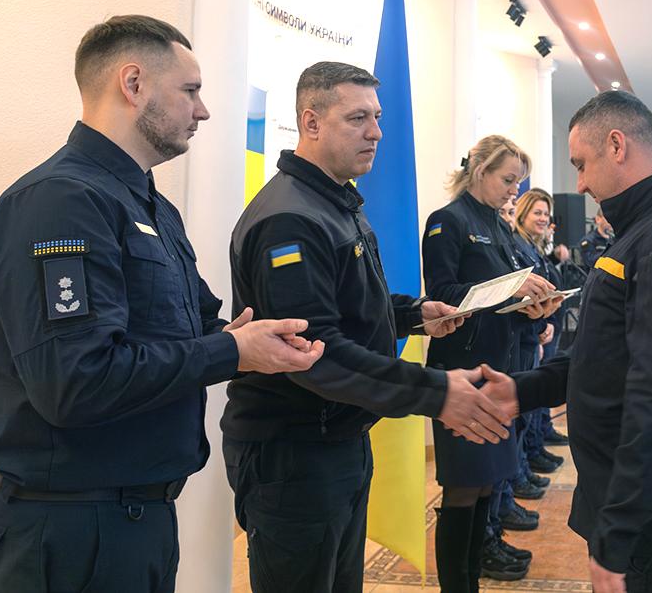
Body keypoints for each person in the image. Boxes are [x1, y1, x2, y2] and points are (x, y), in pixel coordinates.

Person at [0, 15, 325, 593]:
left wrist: (248, 341)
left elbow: (191, 327)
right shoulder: (62, 201)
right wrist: (229, 352)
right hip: (67, 530)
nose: (203, 110)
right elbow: (76, 382)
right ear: (134, 83)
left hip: (137, 520)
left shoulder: (148, 204)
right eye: (190, 90)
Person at [219, 62, 515, 592]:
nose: (376, 132)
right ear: (311, 123)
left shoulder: (335, 201)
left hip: (338, 438)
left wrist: (413, 315)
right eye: (358, 118)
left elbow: (347, 305)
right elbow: (317, 350)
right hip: (295, 452)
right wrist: (436, 392)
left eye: (377, 117)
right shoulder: (291, 218)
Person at [486, 90, 652, 593]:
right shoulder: (649, 224)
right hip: (651, 507)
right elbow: (607, 355)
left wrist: (618, 532)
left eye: (581, 164)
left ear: (617, 145)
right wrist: (521, 391)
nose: (579, 183)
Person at [421, 135, 563, 592]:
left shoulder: (499, 226)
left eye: (518, 182)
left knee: (486, 484)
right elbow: (443, 296)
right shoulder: (447, 221)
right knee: (463, 488)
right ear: (480, 171)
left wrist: (533, 308)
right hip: (464, 372)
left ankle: (475, 571)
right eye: (508, 180)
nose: (514, 190)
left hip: (499, 369)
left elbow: (503, 298)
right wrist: (511, 291)